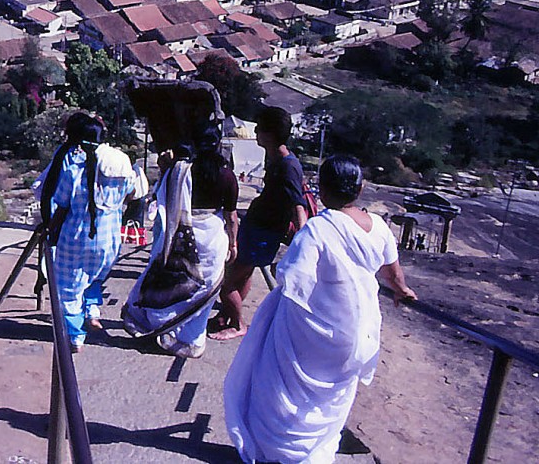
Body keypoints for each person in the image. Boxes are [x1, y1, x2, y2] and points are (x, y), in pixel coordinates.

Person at [224, 154, 415, 463]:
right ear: (360, 188)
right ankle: (314, 453)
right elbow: (392, 275)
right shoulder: (378, 227)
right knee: (330, 400)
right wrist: (403, 291)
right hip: (355, 331)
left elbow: (291, 276)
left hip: (316, 335)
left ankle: (281, 452)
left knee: (281, 388)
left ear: (322, 191)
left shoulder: (317, 229)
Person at [123, 124, 238, 358]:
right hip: (213, 238)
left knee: (174, 282)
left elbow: (159, 195)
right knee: (205, 290)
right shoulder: (226, 175)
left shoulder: (181, 170)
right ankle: (192, 340)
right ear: (218, 145)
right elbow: (231, 217)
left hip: (181, 233)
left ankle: (157, 324)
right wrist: (233, 243)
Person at [37, 112, 138, 351]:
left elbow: (61, 206)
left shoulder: (74, 167)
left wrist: (50, 231)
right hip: (109, 239)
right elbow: (134, 193)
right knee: (94, 277)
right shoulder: (119, 162)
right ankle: (93, 315)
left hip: (76, 238)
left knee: (68, 288)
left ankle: (75, 337)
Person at [210, 106, 306, 341]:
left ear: (270, 134)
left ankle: (238, 324)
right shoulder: (274, 158)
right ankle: (227, 315)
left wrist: (303, 244)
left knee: (227, 283)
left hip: (264, 231)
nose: (257, 134)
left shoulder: (288, 165)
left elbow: (298, 206)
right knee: (243, 275)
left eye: (261, 129)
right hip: (258, 226)